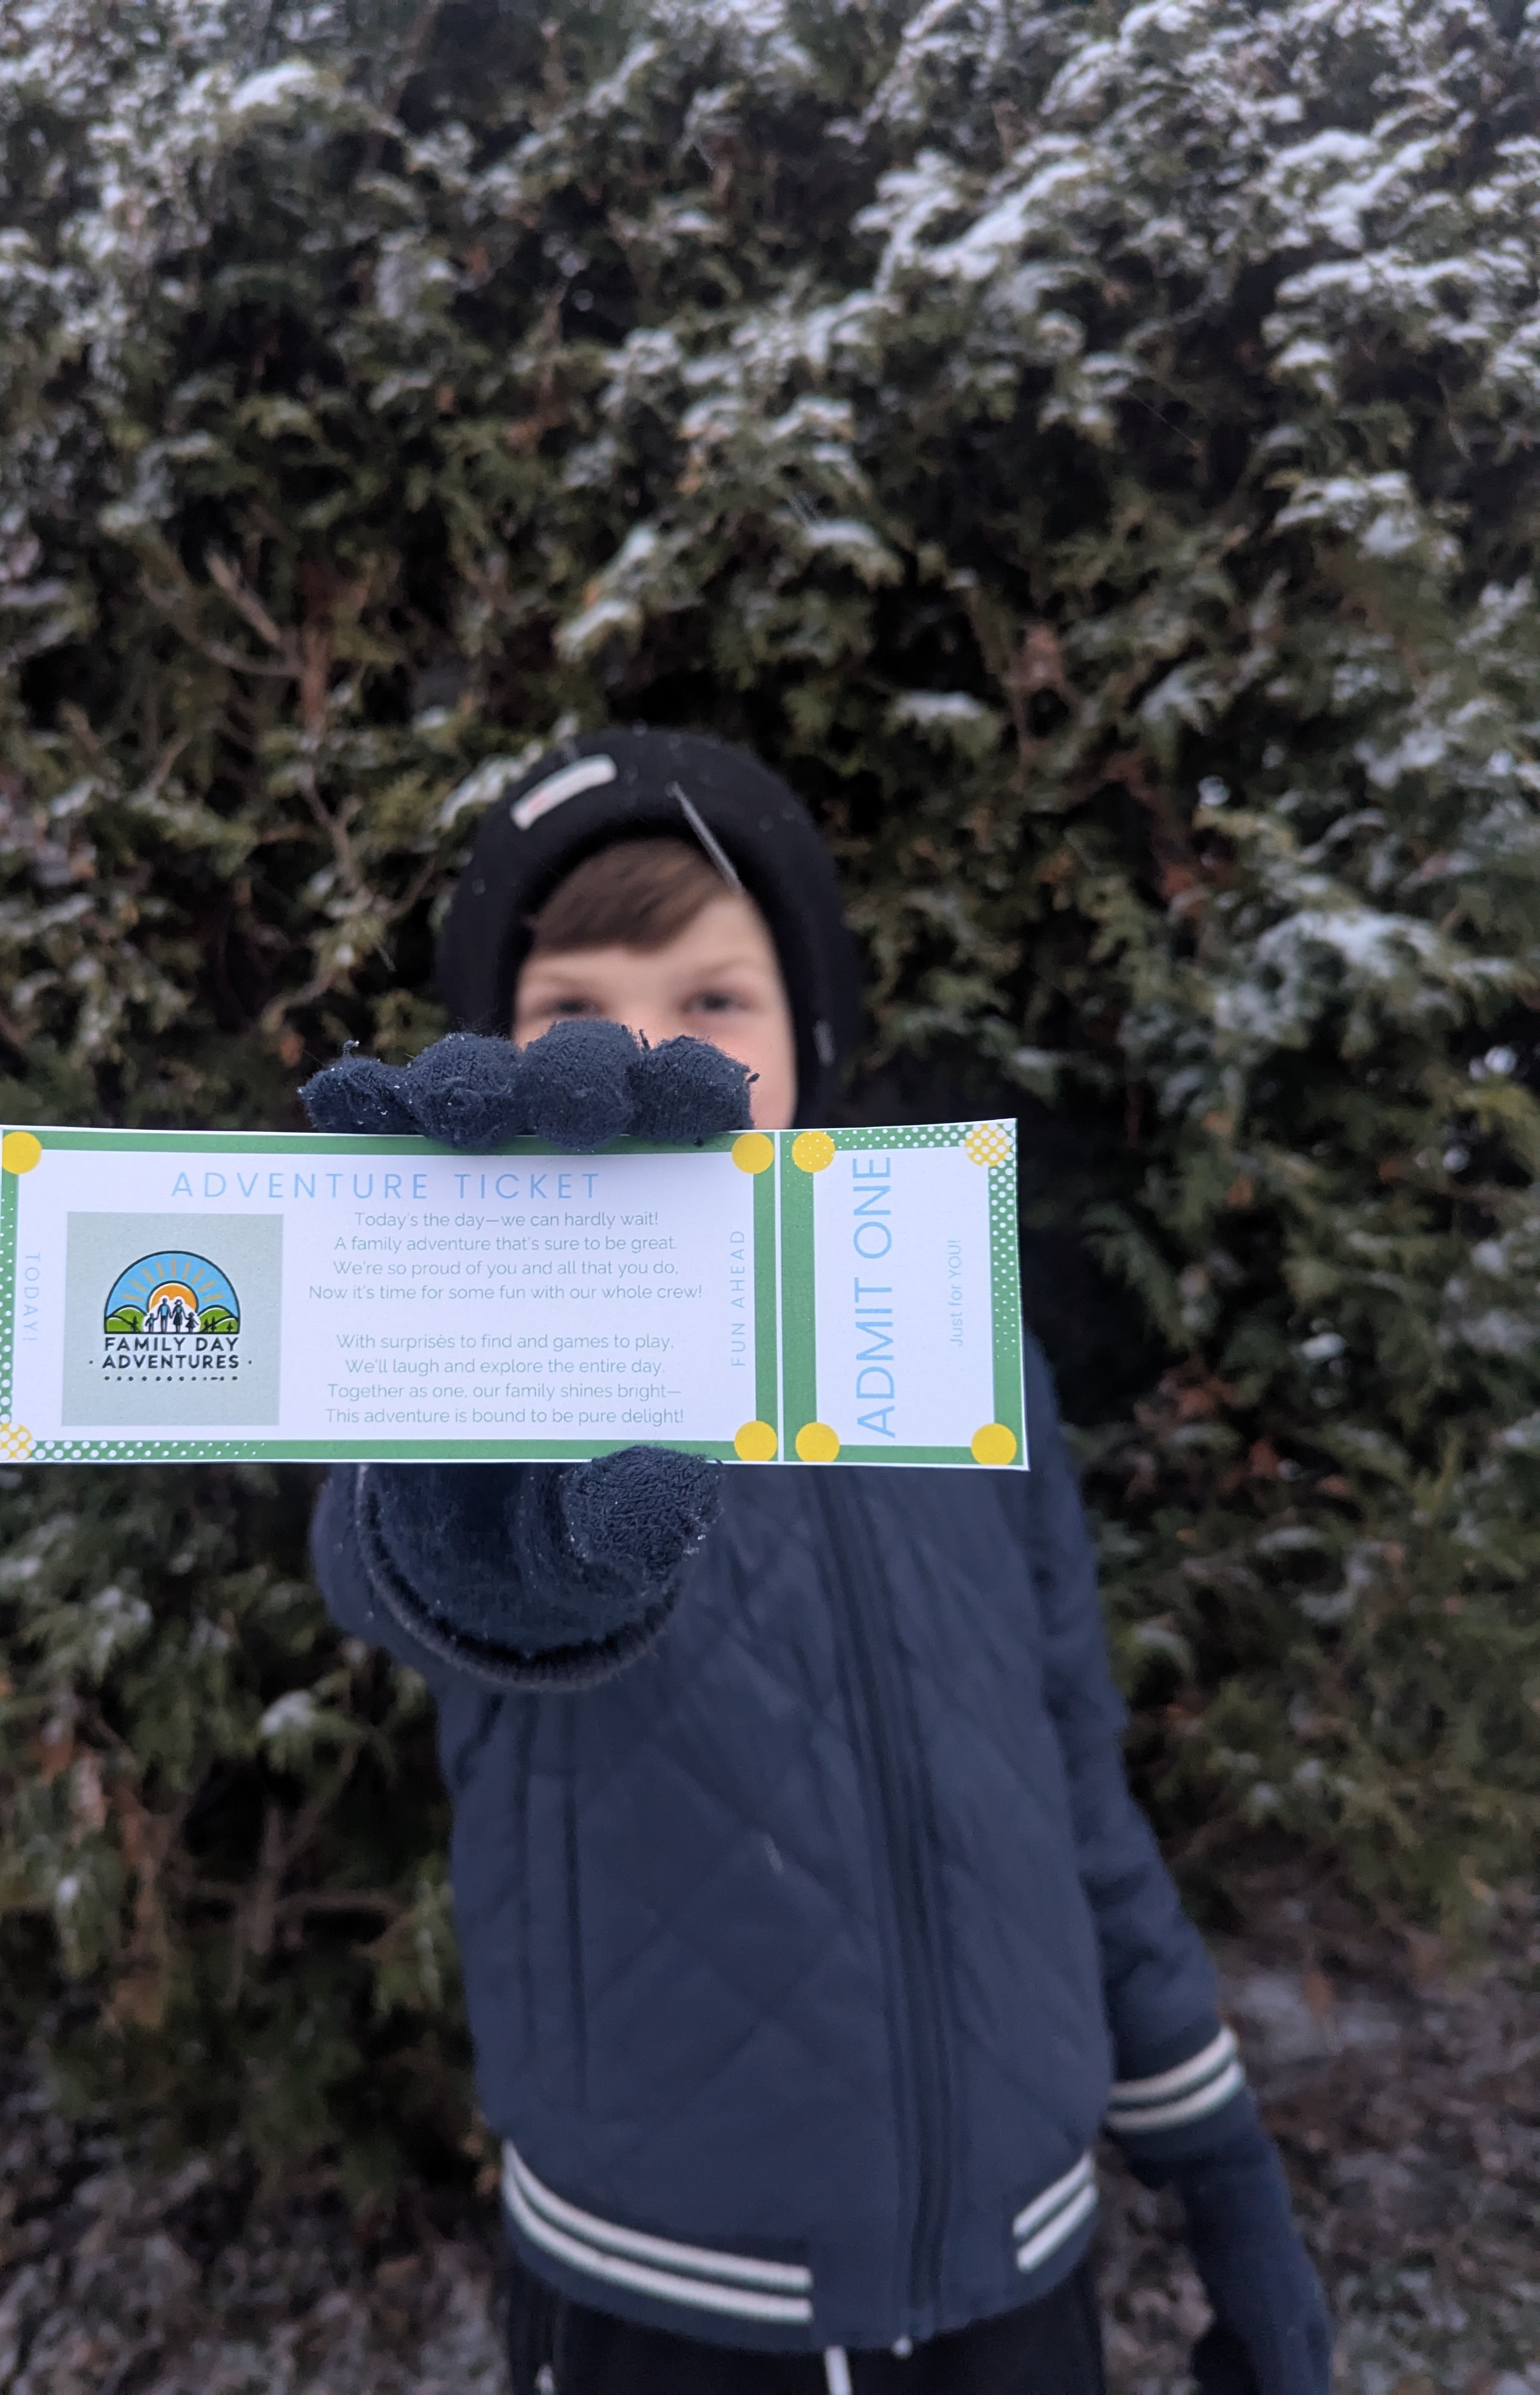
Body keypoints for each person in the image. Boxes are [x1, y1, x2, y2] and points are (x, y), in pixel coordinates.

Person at [302, 728, 1332, 2395]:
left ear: (809, 1042)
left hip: (1027, 2288)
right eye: (577, 1007)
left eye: (714, 999)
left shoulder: (957, 1350)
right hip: (664, 2318)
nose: (646, 1052)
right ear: (500, 1060)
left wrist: (1224, 2176)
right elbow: (385, 1556)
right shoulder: (473, 1377)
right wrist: (481, 1547)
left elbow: (1076, 1781)